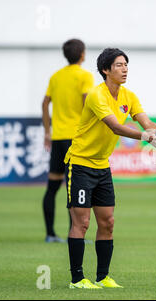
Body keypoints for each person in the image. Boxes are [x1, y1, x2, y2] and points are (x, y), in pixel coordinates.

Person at [64, 48, 156, 289]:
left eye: (126, 64)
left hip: (102, 166)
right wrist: (146, 137)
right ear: (105, 70)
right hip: (80, 164)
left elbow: (146, 122)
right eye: (119, 65)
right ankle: (77, 279)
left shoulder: (129, 96)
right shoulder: (96, 96)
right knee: (82, 223)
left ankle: (103, 277)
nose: (125, 68)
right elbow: (116, 127)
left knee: (107, 222)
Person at [41, 39, 94, 243]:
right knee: (74, 188)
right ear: (82, 54)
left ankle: (50, 234)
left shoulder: (56, 76)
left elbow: (45, 103)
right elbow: (86, 102)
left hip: (58, 138)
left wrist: (47, 131)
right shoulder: (84, 76)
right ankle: (75, 234)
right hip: (76, 139)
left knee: (52, 186)